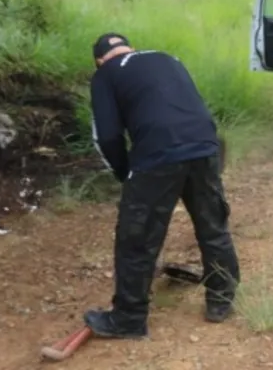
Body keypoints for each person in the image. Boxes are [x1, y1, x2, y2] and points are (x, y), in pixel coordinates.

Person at [84, 33, 241, 339]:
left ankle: (129, 320)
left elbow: (107, 137)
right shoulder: (168, 59)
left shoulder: (105, 75)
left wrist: (125, 173)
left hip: (157, 154)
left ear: (100, 60)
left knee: (137, 238)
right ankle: (221, 301)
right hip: (205, 145)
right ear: (129, 48)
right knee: (213, 227)